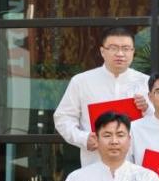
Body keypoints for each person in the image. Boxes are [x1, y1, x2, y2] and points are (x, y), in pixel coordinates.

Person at [54, 26, 149, 167]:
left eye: (126, 48)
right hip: (95, 162)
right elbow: (63, 117)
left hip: (136, 164)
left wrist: (147, 109)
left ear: (133, 52)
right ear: (102, 51)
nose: (120, 53)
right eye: (113, 48)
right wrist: (83, 138)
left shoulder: (146, 83)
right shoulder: (82, 81)